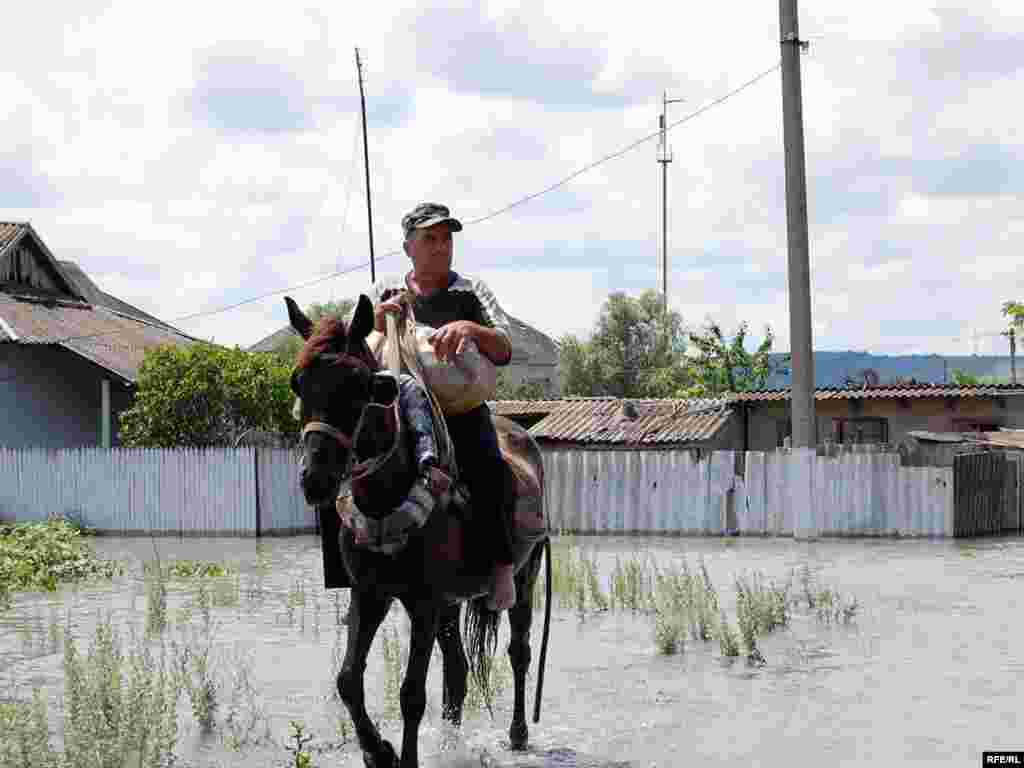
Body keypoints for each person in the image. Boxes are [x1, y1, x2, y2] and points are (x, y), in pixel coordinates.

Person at [370, 202, 517, 611]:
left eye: (447, 239)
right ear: (408, 248)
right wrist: (377, 321)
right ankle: (353, 577)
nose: (441, 247)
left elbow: (505, 346)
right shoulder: (382, 291)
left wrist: (470, 328)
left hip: (459, 413)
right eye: (430, 239)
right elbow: (354, 345)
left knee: (492, 468)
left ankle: (503, 567)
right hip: (398, 414)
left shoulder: (471, 290)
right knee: (345, 471)